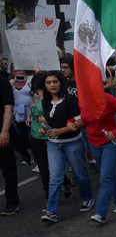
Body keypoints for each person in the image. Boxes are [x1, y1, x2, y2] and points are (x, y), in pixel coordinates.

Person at [69, 91, 116, 224]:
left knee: (105, 177)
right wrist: (70, 121)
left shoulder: (107, 98)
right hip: (94, 144)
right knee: (108, 174)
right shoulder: (82, 101)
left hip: (111, 144)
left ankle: (100, 213)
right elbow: (78, 117)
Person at [40, 71, 94, 223]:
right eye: (49, 83)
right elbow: (51, 122)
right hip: (54, 145)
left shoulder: (70, 100)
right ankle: (51, 211)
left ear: (61, 83)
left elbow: (81, 122)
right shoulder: (45, 101)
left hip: (73, 143)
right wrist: (45, 129)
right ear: (45, 85)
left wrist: (60, 131)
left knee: (80, 173)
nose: (52, 85)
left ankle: (87, 198)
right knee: (55, 178)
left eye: (55, 82)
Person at [26, 73, 72, 205]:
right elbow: (33, 106)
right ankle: (50, 200)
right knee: (43, 169)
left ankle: (65, 184)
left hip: (49, 138)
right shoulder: (36, 97)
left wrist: (45, 121)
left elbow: (56, 118)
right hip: (35, 137)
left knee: (51, 170)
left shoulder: (49, 100)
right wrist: (29, 116)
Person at [0, 74, 18, 215]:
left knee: (8, 169)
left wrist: (5, 130)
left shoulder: (2, 82)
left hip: (1, 132)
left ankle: (12, 202)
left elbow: (8, 108)